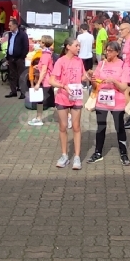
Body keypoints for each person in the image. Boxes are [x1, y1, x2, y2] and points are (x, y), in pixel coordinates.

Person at [88, 41, 130, 166]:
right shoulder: (101, 64)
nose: (108, 53)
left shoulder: (123, 66)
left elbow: (124, 87)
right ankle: (98, 152)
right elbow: (95, 83)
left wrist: (114, 81)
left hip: (117, 101)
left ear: (117, 52)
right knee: (101, 126)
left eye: (111, 51)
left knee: (119, 127)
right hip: (102, 100)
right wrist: (93, 80)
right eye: (107, 50)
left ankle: (123, 153)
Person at [49, 38, 87, 168]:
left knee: (76, 127)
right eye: (76, 46)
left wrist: (87, 76)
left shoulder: (79, 61)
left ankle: (77, 157)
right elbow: (52, 80)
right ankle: (64, 155)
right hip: (62, 98)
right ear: (68, 46)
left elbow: (81, 77)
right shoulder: (60, 61)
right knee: (63, 127)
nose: (78, 48)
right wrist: (63, 86)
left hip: (76, 97)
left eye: (79, 46)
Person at [29, 35, 55, 127]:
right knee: (43, 101)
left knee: (42, 101)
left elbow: (44, 71)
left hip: (46, 81)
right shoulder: (48, 54)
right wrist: (38, 66)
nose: (39, 42)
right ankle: (38, 118)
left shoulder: (45, 55)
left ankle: (39, 118)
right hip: (47, 81)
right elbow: (45, 67)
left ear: (44, 43)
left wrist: (38, 83)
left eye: (40, 41)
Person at [4, 19, 29, 98]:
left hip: (19, 58)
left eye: (10, 25)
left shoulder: (22, 34)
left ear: (15, 25)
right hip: (11, 58)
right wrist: (8, 57)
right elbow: (9, 45)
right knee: (12, 75)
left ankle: (22, 92)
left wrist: (22, 57)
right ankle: (13, 91)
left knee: (21, 75)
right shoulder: (10, 34)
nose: (9, 27)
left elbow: (26, 47)